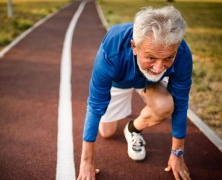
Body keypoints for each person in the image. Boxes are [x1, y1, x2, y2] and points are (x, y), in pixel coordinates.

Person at [78, 6, 192, 180]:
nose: (159, 67)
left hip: (148, 82)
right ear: (134, 46)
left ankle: (133, 129)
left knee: (166, 105)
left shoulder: (182, 52)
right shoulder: (111, 51)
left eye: (168, 57)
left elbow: (181, 102)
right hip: (119, 78)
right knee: (106, 133)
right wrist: (86, 161)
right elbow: (95, 105)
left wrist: (178, 153)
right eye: (151, 57)